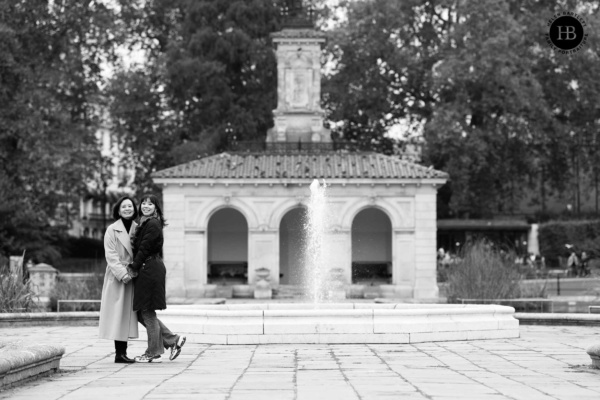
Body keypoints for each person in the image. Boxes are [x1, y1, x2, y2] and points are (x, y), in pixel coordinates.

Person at [129, 194, 186, 363]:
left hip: (149, 269)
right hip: (149, 268)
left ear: (156, 207)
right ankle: (172, 340)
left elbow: (144, 248)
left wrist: (133, 267)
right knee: (143, 312)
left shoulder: (152, 224)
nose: (146, 206)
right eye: (143, 203)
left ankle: (153, 351)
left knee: (146, 312)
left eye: (150, 204)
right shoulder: (146, 223)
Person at [99, 196, 139, 364]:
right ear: (118, 209)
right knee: (118, 314)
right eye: (124, 206)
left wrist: (135, 271)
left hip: (134, 274)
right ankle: (119, 353)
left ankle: (123, 353)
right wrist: (123, 274)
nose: (128, 209)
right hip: (118, 277)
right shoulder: (112, 229)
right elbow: (111, 256)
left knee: (128, 315)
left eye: (130, 206)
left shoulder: (138, 228)